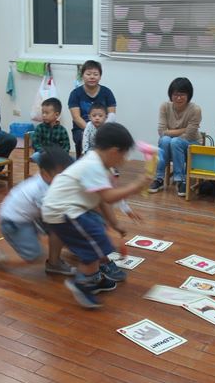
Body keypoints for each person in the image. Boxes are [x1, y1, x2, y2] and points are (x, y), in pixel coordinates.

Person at [42, 123, 148, 309]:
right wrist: (135, 186)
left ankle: (93, 277)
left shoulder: (100, 166)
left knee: (98, 239)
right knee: (94, 245)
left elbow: (102, 200)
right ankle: (83, 283)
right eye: (124, 155)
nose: (124, 160)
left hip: (72, 210)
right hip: (64, 211)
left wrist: (114, 223)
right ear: (114, 151)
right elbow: (108, 196)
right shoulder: (93, 166)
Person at [0, 145, 75, 275]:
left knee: (62, 227)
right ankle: (1, 261)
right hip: (13, 222)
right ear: (45, 174)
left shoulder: (48, 181)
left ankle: (57, 260)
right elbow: (52, 213)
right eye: (61, 176)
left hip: (28, 215)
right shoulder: (41, 190)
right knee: (36, 256)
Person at [147, 77, 202, 197]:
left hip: (192, 144)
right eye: (175, 94)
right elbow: (161, 132)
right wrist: (183, 129)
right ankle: (159, 179)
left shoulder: (195, 110)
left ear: (189, 95)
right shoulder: (165, 107)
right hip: (172, 144)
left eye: (182, 94)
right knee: (165, 140)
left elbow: (190, 134)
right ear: (171, 95)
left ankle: (180, 180)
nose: (178, 98)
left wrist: (170, 132)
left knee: (175, 141)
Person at [67, 60, 116, 158]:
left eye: (95, 74)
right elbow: (76, 118)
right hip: (82, 128)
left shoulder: (107, 92)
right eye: (88, 74)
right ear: (82, 75)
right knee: (81, 137)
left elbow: (111, 115)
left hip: (103, 127)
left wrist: (102, 130)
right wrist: (90, 129)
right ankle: (81, 162)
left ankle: (107, 164)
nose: (92, 77)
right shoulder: (75, 94)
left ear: (100, 76)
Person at [30, 98, 70, 163]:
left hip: (58, 155)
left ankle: (55, 168)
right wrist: (43, 151)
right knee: (35, 156)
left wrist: (60, 154)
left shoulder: (62, 130)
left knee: (73, 160)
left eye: (47, 113)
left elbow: (66, 146)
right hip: (43, 154)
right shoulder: (39, 128)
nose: (44, 115)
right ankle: (45, 168)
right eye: (43, 112)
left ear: (56, 115)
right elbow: (35, 143)